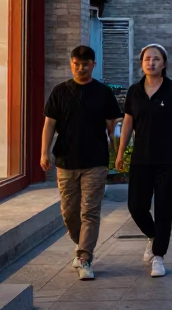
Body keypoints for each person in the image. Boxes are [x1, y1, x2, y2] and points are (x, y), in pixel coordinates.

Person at [41, 44, 121, 281]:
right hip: (66, 160)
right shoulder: (60, 91)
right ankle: (82, 244)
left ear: (93, 65)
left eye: (85, 64)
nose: (80, 68)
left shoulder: (103, 92)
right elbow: (49, 124)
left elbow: (113, 125)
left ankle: (85, 256)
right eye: (76, 64)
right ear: (71, 64)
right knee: (69, 212)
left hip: (95, 160)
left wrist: (117, 152)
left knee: (91, 211)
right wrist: (44, 152)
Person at [116, 44, 172, 277]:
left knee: (164, 208)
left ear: (164, 63)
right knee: (136, 206)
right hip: (140, 158)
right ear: (142, 63)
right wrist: (120, 152)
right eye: (147, 59)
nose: (151, 63)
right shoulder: (134, 91)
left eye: (156, 59)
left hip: (167, 158)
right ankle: (153, 235)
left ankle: (158, 255)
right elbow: (127, 123)